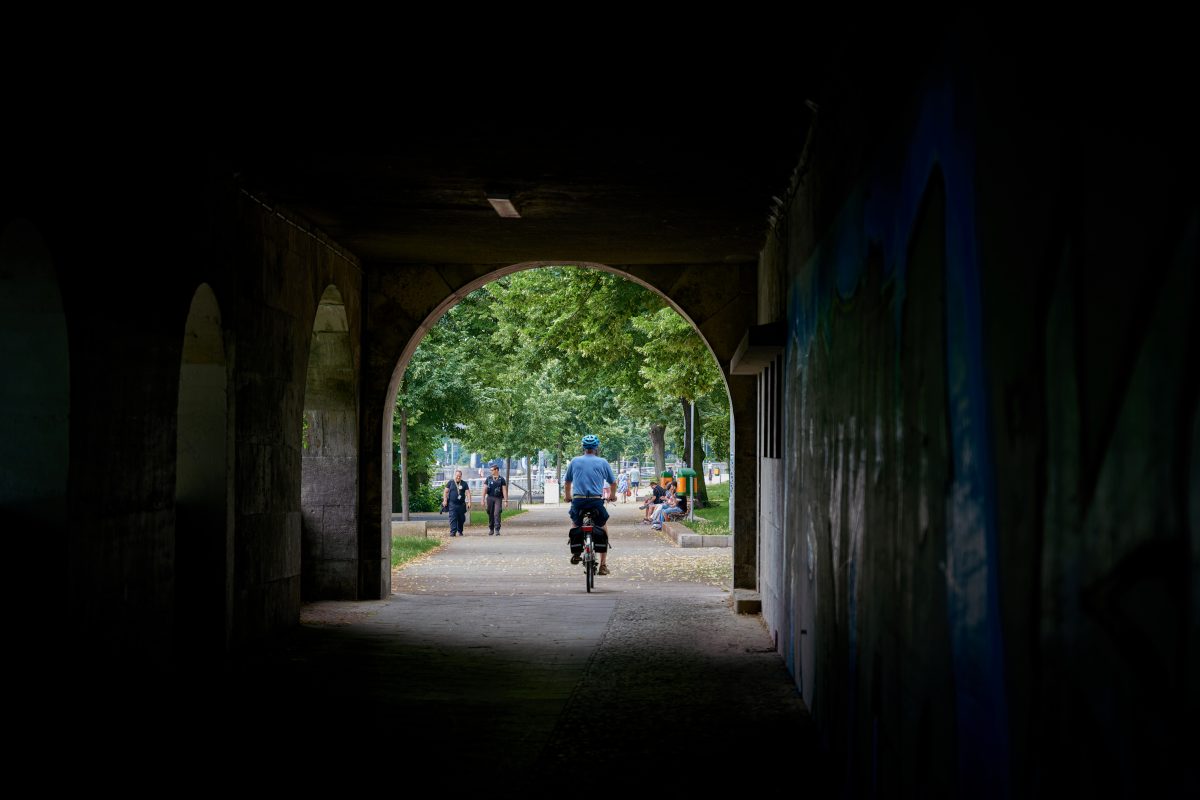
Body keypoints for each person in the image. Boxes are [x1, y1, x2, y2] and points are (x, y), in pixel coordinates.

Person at [563, 434, 617, 575]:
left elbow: (567, 482)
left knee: (575, 522)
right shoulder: (603, 462)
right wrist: (612, 496)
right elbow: (613, 483)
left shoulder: (574, 461)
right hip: (595, 500)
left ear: (583, 447)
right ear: (596, 448)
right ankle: (603, 565)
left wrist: (568, 496)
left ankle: (576, 552)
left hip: (579, 500)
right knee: (602, 524)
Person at [442, 469, 471, 537]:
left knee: (461, 519)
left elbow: (468, 493)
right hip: (452, 504)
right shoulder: (450, 482)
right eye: (457, 476)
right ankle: (453, 532)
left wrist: (469, 502)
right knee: (453, 518)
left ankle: (460, 530)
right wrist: (445, 500)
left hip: (461, 505)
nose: (458, 477)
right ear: (455, 475)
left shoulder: (464, 483)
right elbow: (445, 492)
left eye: (459, 476)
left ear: (461, 476)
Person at [483, 463, 508, 535]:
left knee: (497, 513)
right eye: (490, 470)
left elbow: (504, 490)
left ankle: (497, 529)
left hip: (498, 498)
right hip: (490, 497)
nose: (491, 471)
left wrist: (506, 500)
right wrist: (482, 499)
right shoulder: (488, 478)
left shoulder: (501, 479)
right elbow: (484, 489)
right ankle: (491, 528)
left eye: (492, 470)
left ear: (496, 470)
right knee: (490, 513)